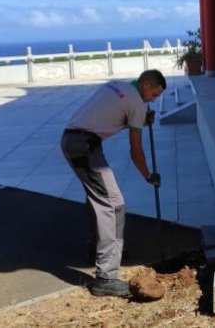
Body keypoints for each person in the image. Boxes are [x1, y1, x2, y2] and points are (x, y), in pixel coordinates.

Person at [61, 69, 166, 297]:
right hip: (84, 146)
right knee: (114, 204)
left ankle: (96, 251)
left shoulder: (118, 85)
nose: (153, 100)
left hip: (71, 139)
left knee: (97, 199)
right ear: (145, 84)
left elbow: (110, 113)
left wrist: (137, 120)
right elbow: (136, 151)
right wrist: (148, 176)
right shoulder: (137, 103)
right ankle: (106, 277)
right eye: (154, 94)